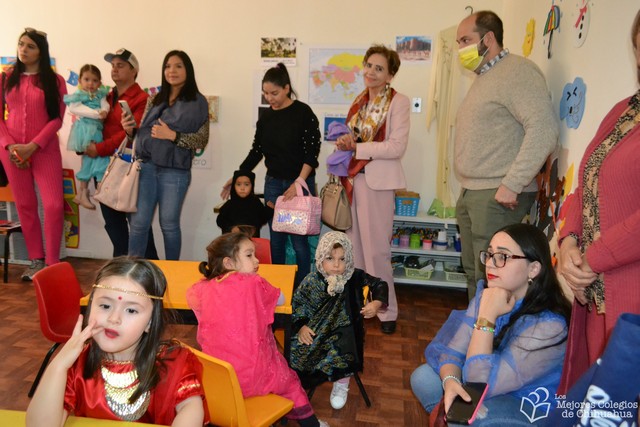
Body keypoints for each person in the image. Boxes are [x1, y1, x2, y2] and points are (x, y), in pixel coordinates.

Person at [410, 223, 571, 426]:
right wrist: (450, 382)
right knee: (423, 378)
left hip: (526, 404)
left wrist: (486, 316)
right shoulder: (489, 294)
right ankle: (453, 416)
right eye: (490, 254)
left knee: (466, 417)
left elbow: (479, 382)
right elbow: (452, 351)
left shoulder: (549, 325)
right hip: (488, 381)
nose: (491, 264)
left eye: (503, 256)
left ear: (533, 269)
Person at [556, 9, 640, 395]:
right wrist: (569, 240)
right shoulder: (624, 110)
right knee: (589, 405)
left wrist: (592, 259)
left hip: (627, 295)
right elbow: (584, 183)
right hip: (593, 292)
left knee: (619, 408)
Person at [454, 11, 559, 300]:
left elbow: (544, 128)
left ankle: (490, 338)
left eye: (466, 40)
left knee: (495, 278)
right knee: (476, 272)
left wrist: (513, 182)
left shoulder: (517, 71)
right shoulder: (486, 77)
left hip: (496, 194)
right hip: (474, 191)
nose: (460, 48)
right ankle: (478, 334)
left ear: (489, 39)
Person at [26, 257, 207, 426]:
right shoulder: (78, 364)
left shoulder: (175, 362)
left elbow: (190, 407)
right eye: (105, 306)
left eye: (131, 311)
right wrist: (58, 366)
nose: (114, 318)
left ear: (150, 322)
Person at [187, 233, 328, 427]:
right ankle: (312, 424)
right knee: (291, 383)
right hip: (254, 377)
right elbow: (281, 299)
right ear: (228, 262)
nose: (257, 260)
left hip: (219, 382)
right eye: (249, 255)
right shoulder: (254, 283)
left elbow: (193, 300)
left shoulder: (200, 289)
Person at [221, 62, 321, 287]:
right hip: (274, 184)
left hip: (299, 185)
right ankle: (277, 285)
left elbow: (312, 154)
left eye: (274, 93)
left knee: (298, 241)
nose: (269, 98)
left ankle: (302, 288)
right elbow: (256, 151)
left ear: (286, 88)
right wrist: (237, 176)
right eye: (265, 93)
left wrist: (299, 182)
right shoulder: (266, 117)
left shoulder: (303, 113)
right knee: (276, 240)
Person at [334, 44, 410, 334]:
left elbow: (396, 147)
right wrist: (344, 144)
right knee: (356, 252)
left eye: (379, 68)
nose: (371, 72)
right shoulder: (359, 100)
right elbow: (350, 137)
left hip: (378, 183)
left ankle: (387, 310)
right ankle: (361, 306)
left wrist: (357, 146)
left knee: (377, 252)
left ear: (390, 75)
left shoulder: (398, 102)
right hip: (354, 180)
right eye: (368, 65)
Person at [124, 50, 209, 260]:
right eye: (168, 66)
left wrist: (173, 136)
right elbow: (143, 132)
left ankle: (173, 271)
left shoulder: (198, 102)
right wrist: (129, 129)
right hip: (147, 167)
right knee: (138, 223)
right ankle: (133, 271)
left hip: (175, 171)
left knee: (169, 225)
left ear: (188, 70)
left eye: (178, 66)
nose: (172, 71)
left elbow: (201, 140)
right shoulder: (155, 99)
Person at [290, 231, 388, 410]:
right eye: (330, 258)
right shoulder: (311, 280)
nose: (336, 265)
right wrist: (301, 326)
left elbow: (380, 284)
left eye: (342, 259)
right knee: (298, 349)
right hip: (316, 332)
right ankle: (297, 384)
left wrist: (376, 302)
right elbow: (298, 305)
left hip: (346, 333)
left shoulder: (355, 277)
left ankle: (342, 383)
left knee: (344, 348)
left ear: (349, 259)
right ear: (320, 258)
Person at [0, 28, 67, 281]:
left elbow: (57, 118)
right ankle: (35, 260)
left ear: (41, 51)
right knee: (25, 206)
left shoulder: (55, 80)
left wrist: (34, 145)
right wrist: (9, 145)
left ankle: (52, 262)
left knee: (52, 205)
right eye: (21, 44)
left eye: (30, 46)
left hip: (44, 150)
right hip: (11, 151)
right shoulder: (6, 78)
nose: (23, 50)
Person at [85, 48, 157, 258]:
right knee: (113, 224)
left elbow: (129, 135)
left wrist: (98, 148)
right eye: (112, 66)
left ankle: (154, 269)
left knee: (139, 225)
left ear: (134, 71)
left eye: (121, 65)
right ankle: (123, 267)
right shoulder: (106, 96)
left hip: (130, 170)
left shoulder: (142, 98)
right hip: (106, 169)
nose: (115, 70)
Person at [64, 64, 109, 210]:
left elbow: (105, 105)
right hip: (84, 130)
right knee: (97, 158)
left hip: (96, 130)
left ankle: (83, 193)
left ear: (100, 83)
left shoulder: (101, 94)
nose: (90, 83)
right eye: (87, 79)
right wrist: (97, 113)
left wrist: (104, 111)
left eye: (95, 80)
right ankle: (97, 191)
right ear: (80, 81)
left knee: (92, 159)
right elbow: (74, 108)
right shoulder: (79, 95)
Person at [216, 169, 270, 237]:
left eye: (246, 184)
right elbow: (220, 220)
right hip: (233, 241)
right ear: (234, 186)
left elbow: (262, 218)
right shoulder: (230, 204)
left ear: (252, 186)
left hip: (251, 240)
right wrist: (231, 228)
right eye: (238, 184)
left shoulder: (256, 203)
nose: (242, 188)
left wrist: (269, 209)